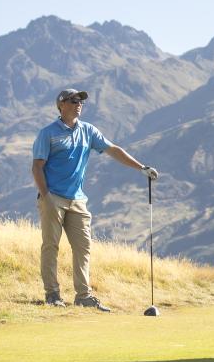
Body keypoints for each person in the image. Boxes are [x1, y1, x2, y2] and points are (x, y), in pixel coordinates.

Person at [32, 88, 157, 311]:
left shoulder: (88, 131)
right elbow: (37, 167)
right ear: (61, 105)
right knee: (51, 246)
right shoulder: (48, 133)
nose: (78, 104)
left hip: (78, 200)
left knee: (83, 247)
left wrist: (141, 168)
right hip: (53, 197)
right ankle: (52, 294)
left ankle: (83, 295)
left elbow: (113, 150)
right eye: (73, 100)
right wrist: (47, 196)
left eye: (80, 101)